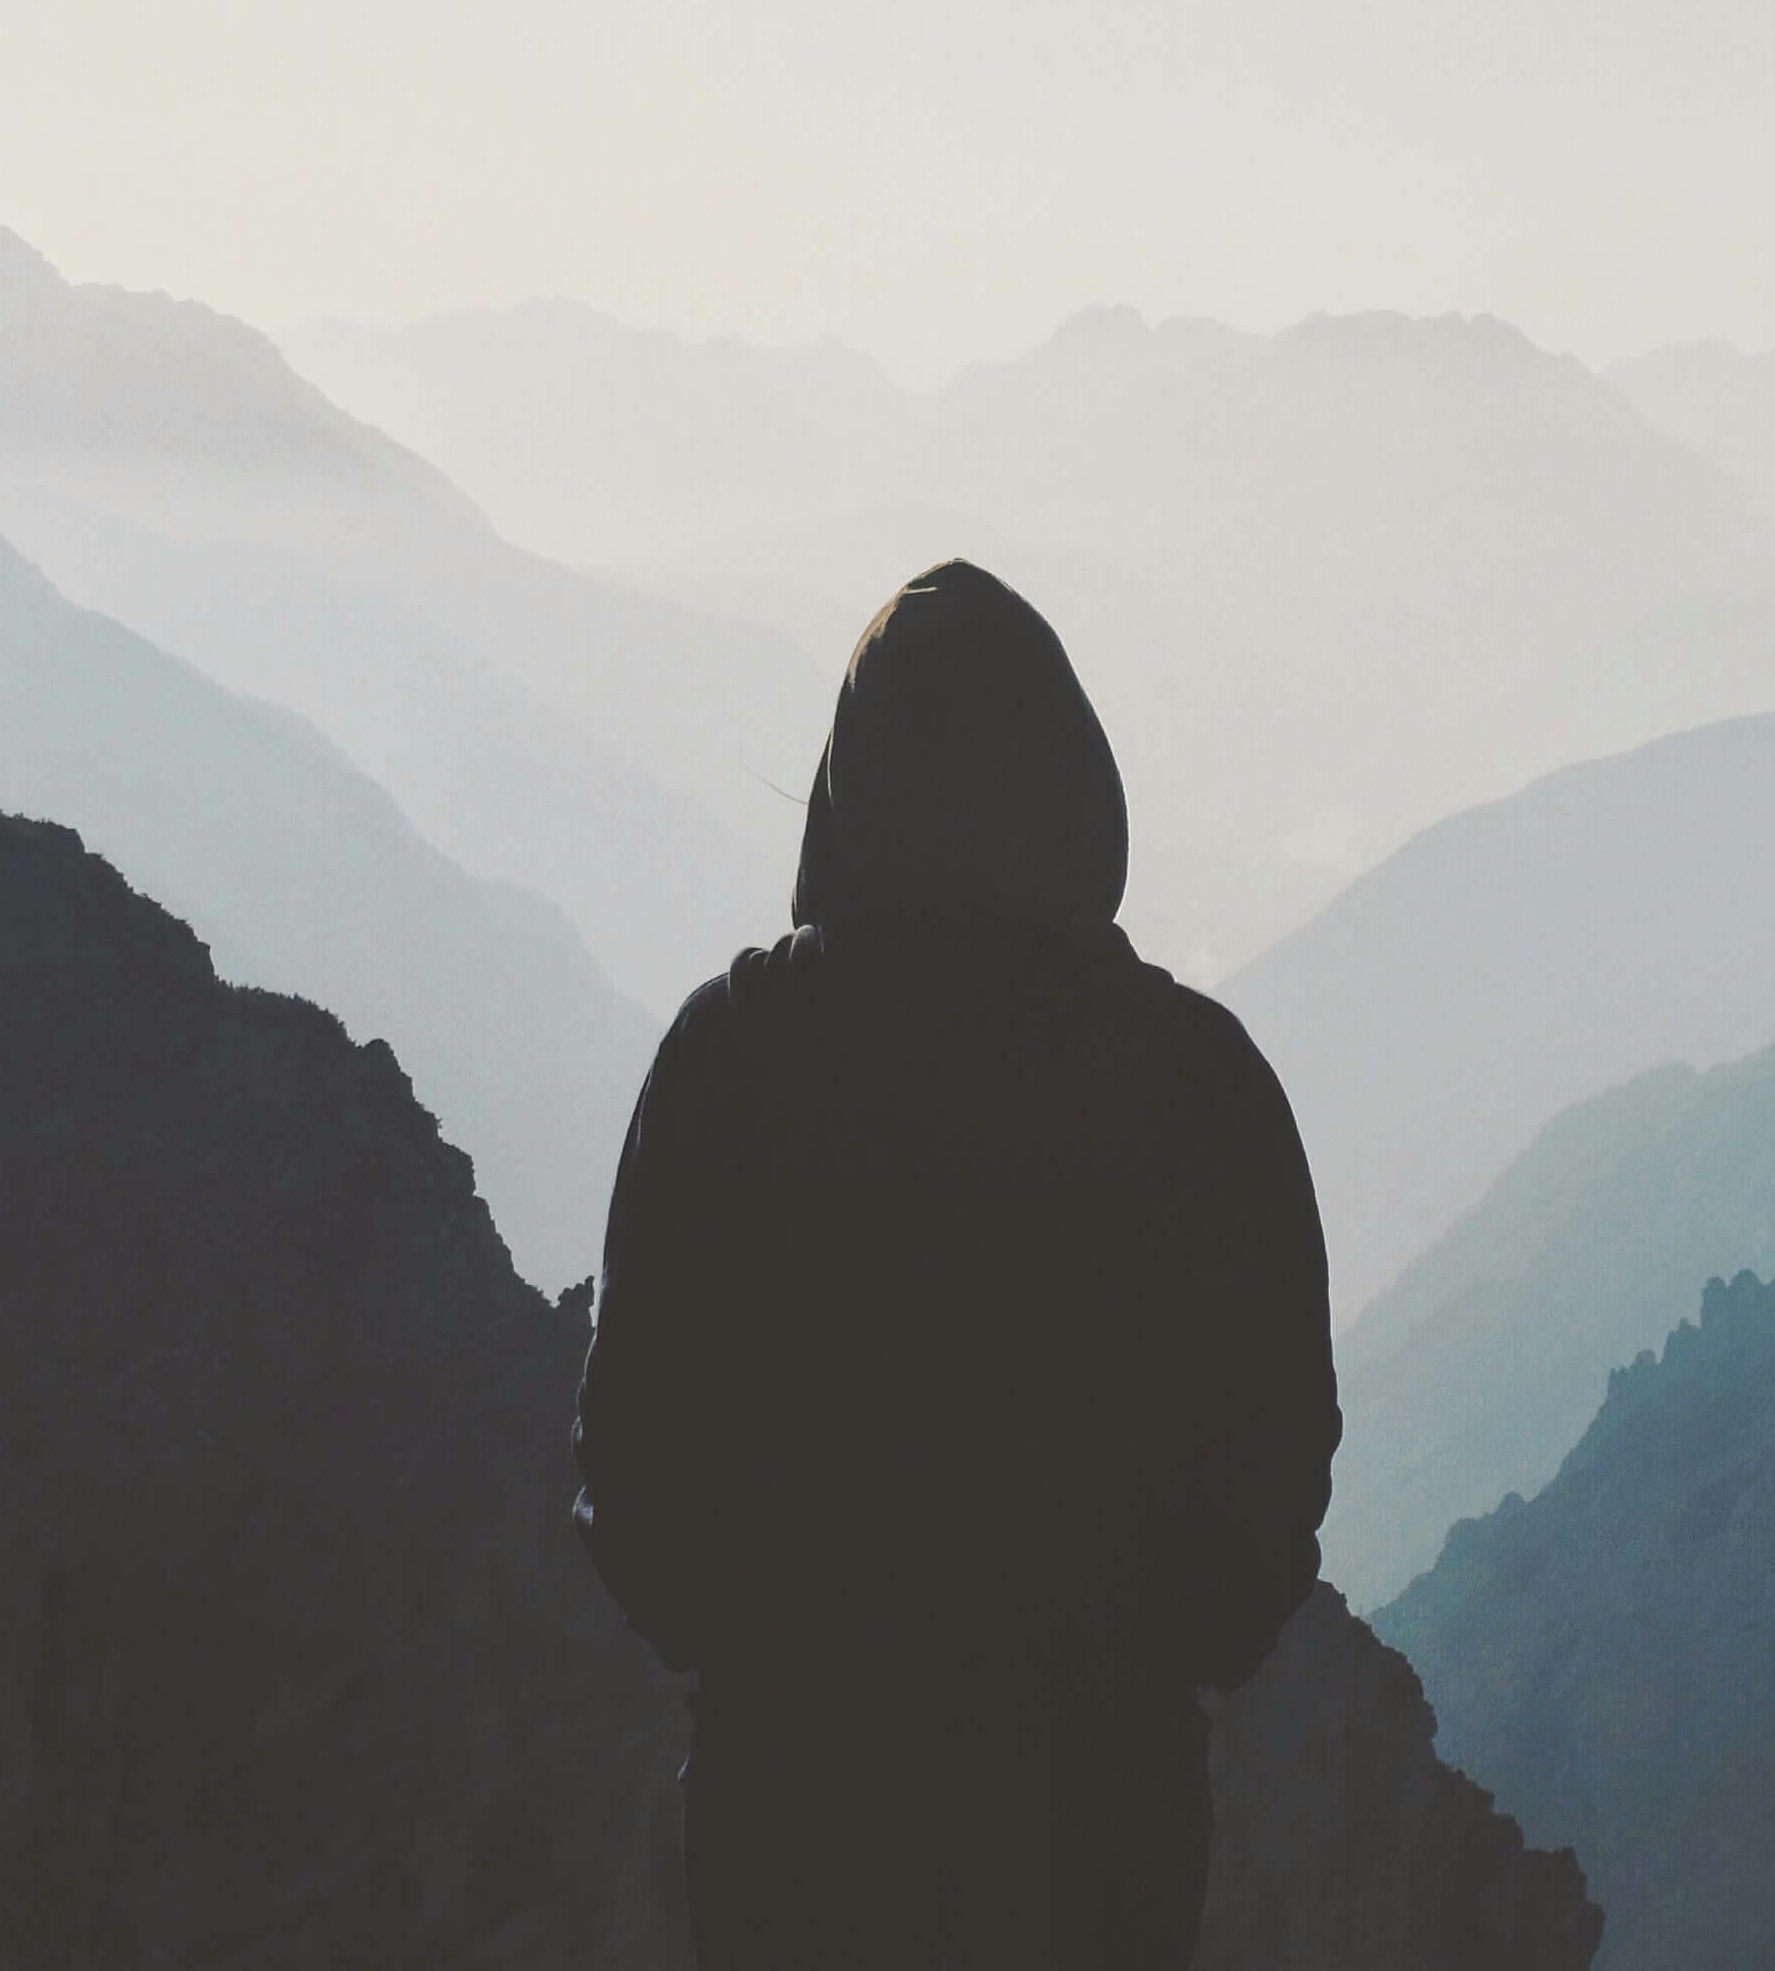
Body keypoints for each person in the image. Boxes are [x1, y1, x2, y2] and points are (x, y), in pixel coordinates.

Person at [574, 559, 1340, 1969]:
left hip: (793, 1840)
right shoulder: (1196, 1090)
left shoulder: (728, 1064)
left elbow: (638, 1491)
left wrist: (790, 1651)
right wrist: (1116, 1657)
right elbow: (1268, 1496)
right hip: (1099, 1849)